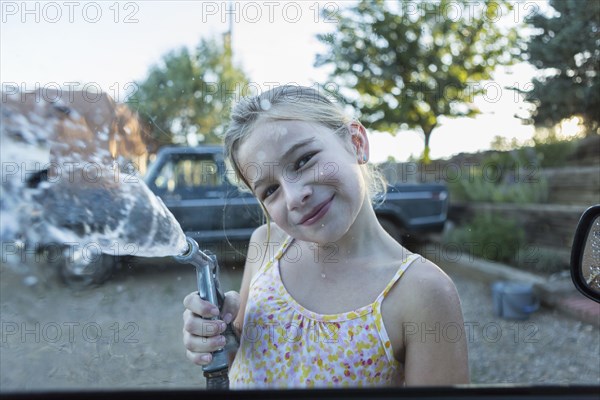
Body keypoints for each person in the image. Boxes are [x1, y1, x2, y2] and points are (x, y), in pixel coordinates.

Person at [182, 85, 469, 389]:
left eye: (304, 160)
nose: (293, 197)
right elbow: (238, 359)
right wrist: (215, 337)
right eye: (270, 190)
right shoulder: (265, 242)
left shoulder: (423, 292)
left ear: (356, 143)